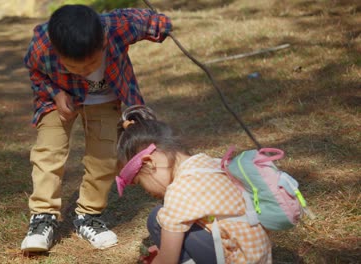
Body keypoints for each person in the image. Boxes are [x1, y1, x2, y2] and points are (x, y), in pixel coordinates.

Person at [20, 5, 172, 252]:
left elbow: (145, 20)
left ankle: (88, 215)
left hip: (104, 96)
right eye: (75, 67)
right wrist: (56, 94)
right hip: (58, 98)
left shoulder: (117, 27)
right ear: (57, 53)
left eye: (91, 63)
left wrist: (162, 26)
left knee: (104, 156)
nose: (85, 71)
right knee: (49, 151)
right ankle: (43, 216)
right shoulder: (42, 45)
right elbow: (35, 70)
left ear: (102, 42)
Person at [116, 105, 272, 264]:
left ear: (149, 163)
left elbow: (168, 261)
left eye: (140, 182)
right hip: (254, 253)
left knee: (157, 220)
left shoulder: (179, 191)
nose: (147, 191)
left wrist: (162, 257)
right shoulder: (209, 163)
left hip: (234, 259)